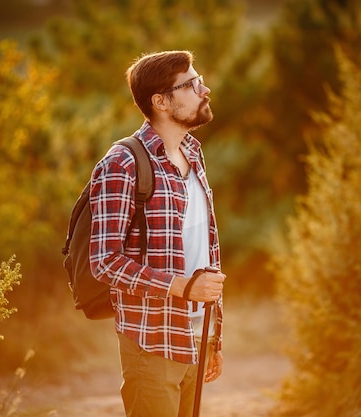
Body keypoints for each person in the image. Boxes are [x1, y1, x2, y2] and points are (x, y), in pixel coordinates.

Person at [89, 50, 226, 417]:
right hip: (152, 342)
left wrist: (214, 337)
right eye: (193, 84)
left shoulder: (194, 155)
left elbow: (204, 249)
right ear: (161, 101)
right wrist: (182, 287)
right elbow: (104, 262)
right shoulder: (122, 164)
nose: (205, 89)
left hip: (197, 336)